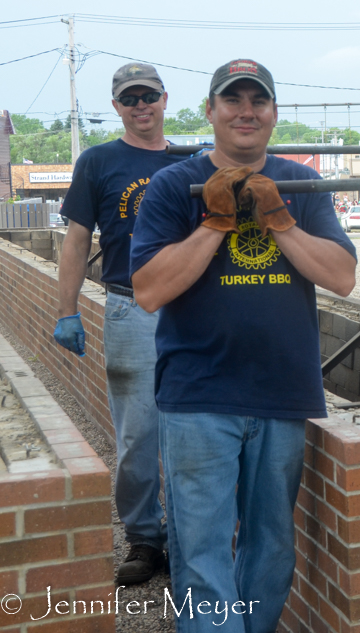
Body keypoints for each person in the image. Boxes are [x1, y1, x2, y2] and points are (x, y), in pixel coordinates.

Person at [129, 59, 357, 633]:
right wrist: (213, 222)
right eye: (233, 100)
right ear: (210, 111)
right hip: (200, 397)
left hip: (283, 395)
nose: (246, 111)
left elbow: (342, 277)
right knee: (204, 556)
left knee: (272, 551)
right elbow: (150, 291)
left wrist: (279, 218)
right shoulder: (171, 186)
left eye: (259, 101)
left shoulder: (300, 184)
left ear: (274, 114)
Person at [53, 62, 185, 586]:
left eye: (147, 96)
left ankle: (189, 537)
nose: (140, 106)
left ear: (164, 99)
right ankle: (144, 539)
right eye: (129, 99)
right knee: (138, 434)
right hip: (132, 310)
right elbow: (77, 239)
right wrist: (67, 311)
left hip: (192, 310)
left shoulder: (191, 160)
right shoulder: (98, 161)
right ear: (116, 107)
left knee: (192, 428)